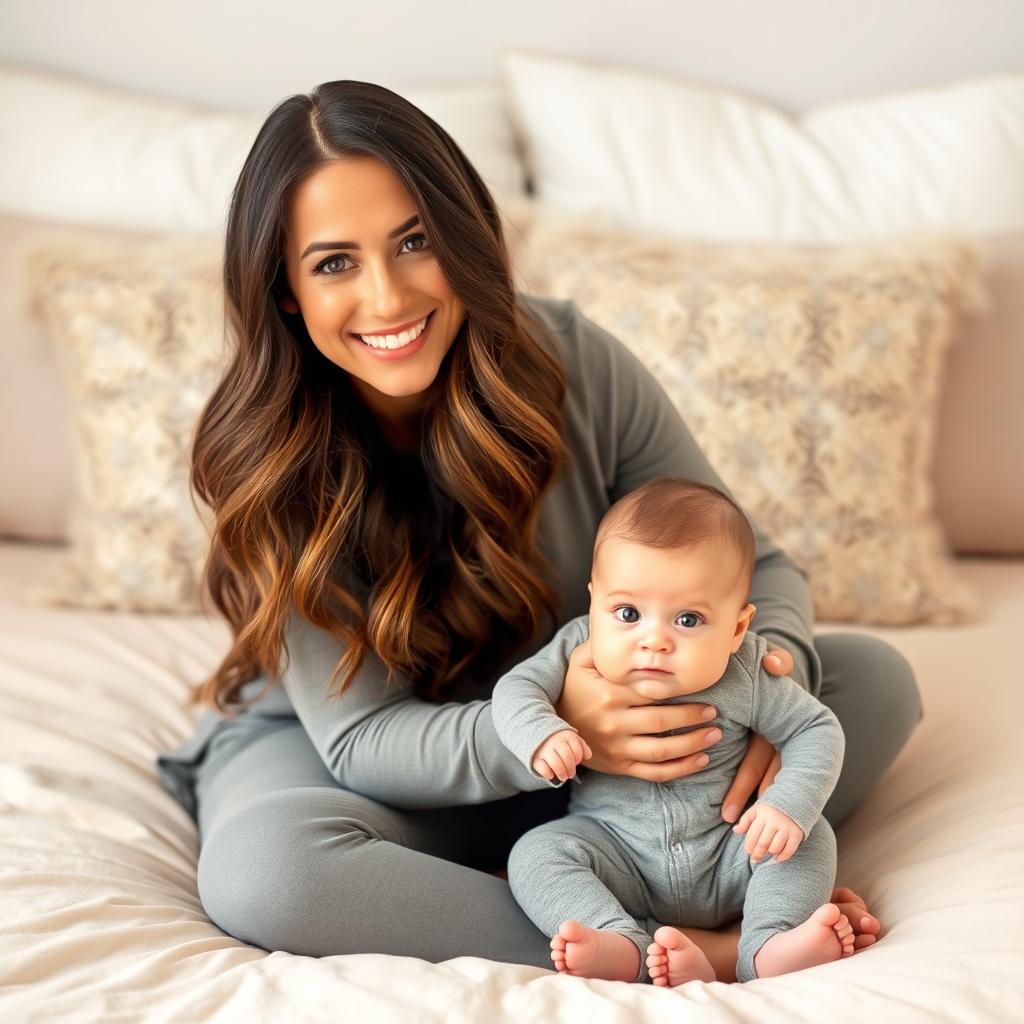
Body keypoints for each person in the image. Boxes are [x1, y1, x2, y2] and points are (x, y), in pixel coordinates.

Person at [155, 79, 919, 982]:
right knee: (266, 871)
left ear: (463, 234)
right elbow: (361, 742)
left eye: (415, 241)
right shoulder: (268, 457)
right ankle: (671, 947)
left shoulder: (570, 361)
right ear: (283, 290)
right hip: (380, 765)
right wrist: (561, 724)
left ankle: (660, 913)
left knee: (871, 681)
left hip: (620, 785)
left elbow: (760, 569)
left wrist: (758, 695)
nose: (389, 295)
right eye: (334, 263)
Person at [492, 476, 854, 985]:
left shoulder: (748, 671)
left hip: (734, 852)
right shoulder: (579, 644)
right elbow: (514, 690)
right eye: (628, 613)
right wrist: (543, 732)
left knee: (811, 835)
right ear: (594, 602)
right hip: (618, 855)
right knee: (536, 854)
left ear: (736, 628)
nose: (654, 640)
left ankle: (769, 942)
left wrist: (787, 805)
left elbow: (817, 727)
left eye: (687, 619)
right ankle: (619, 940)